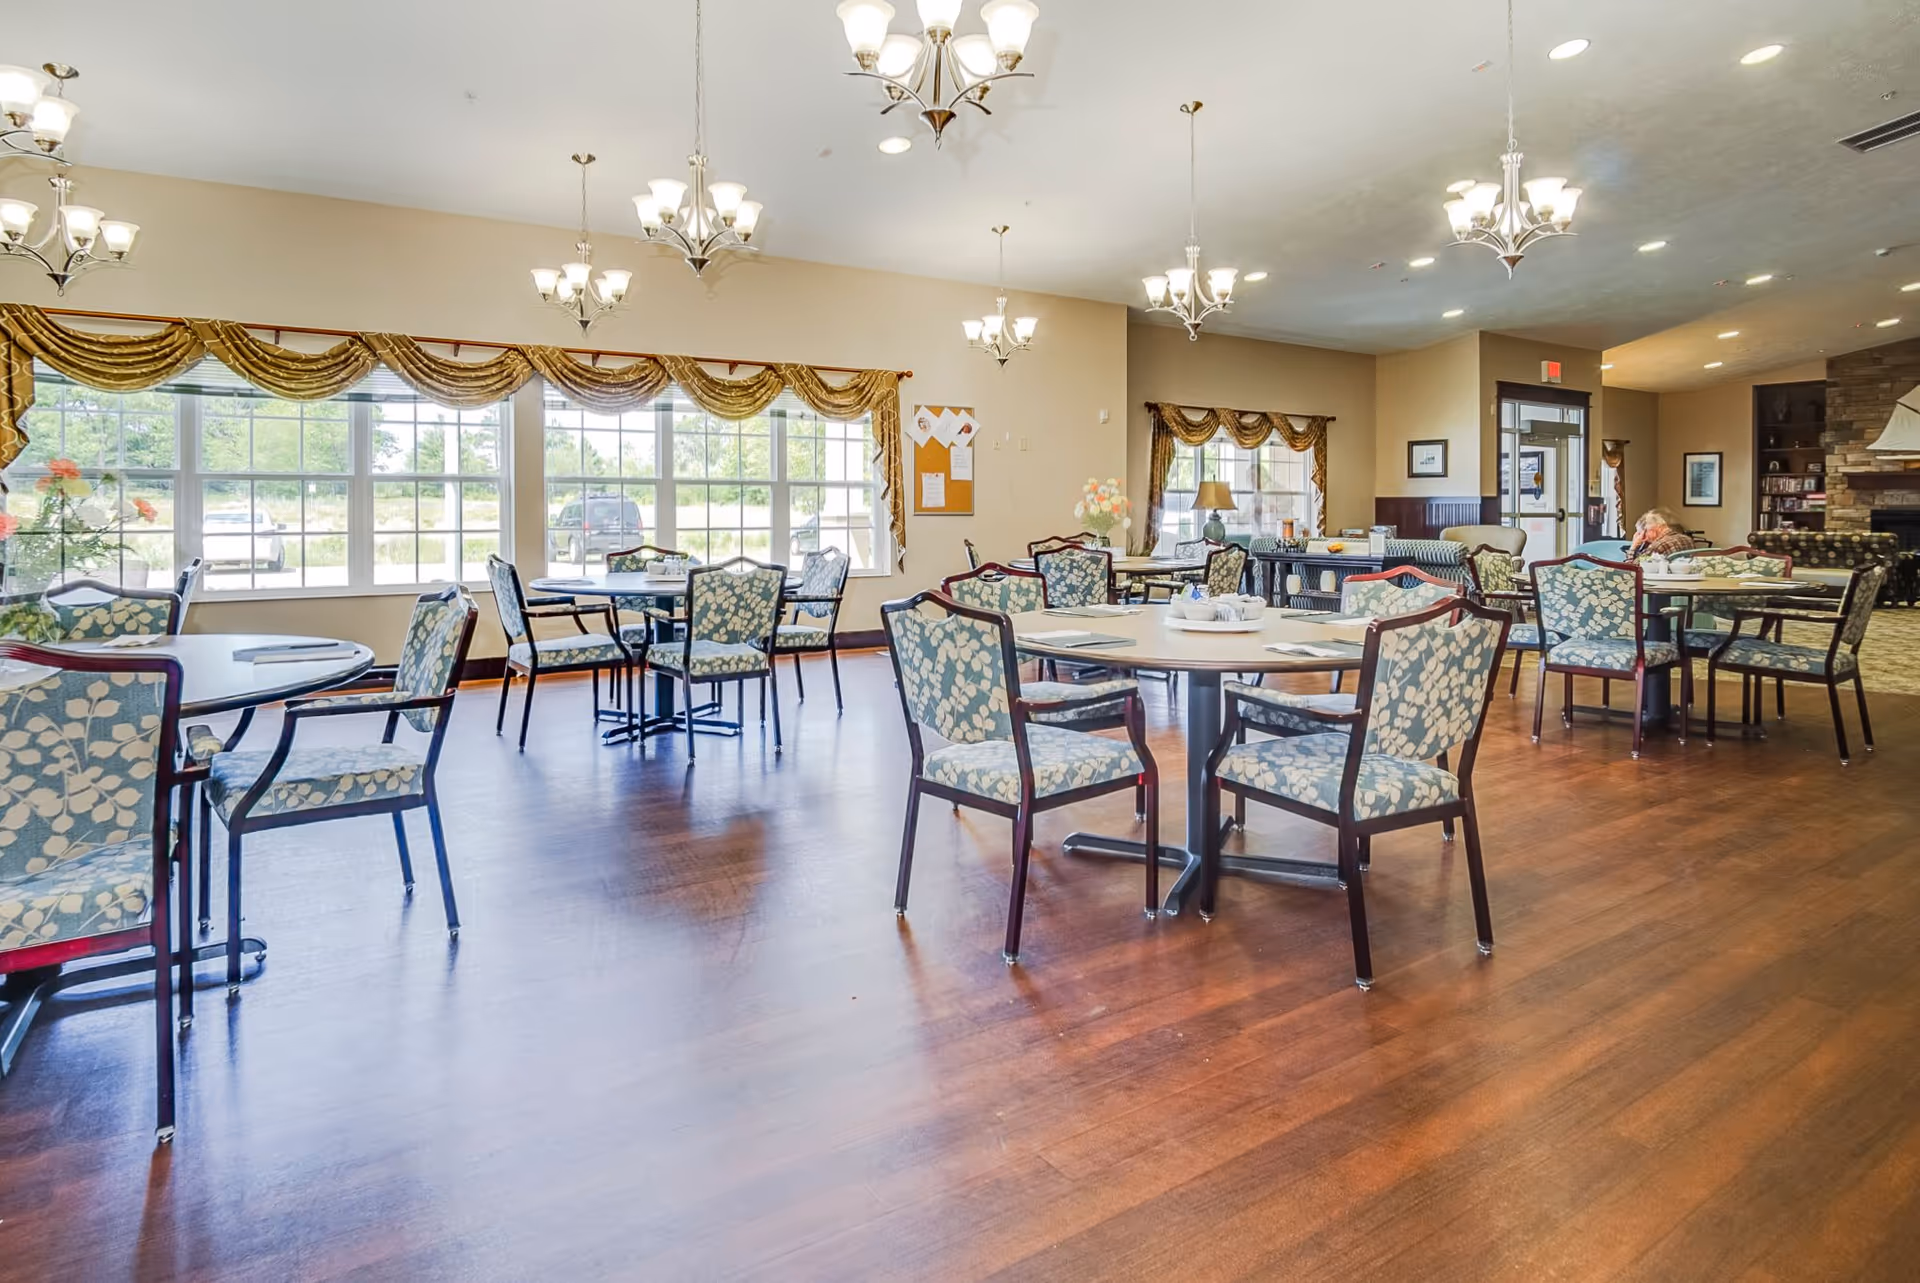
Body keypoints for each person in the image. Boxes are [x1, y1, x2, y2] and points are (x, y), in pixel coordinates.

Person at [1625, 507, 1697, 561]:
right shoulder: (1687, 539)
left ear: (1651, 530)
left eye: (1641, 534)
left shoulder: (1657, 546)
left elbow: (1633, 569)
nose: (1643, 539)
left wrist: (1633, 546)